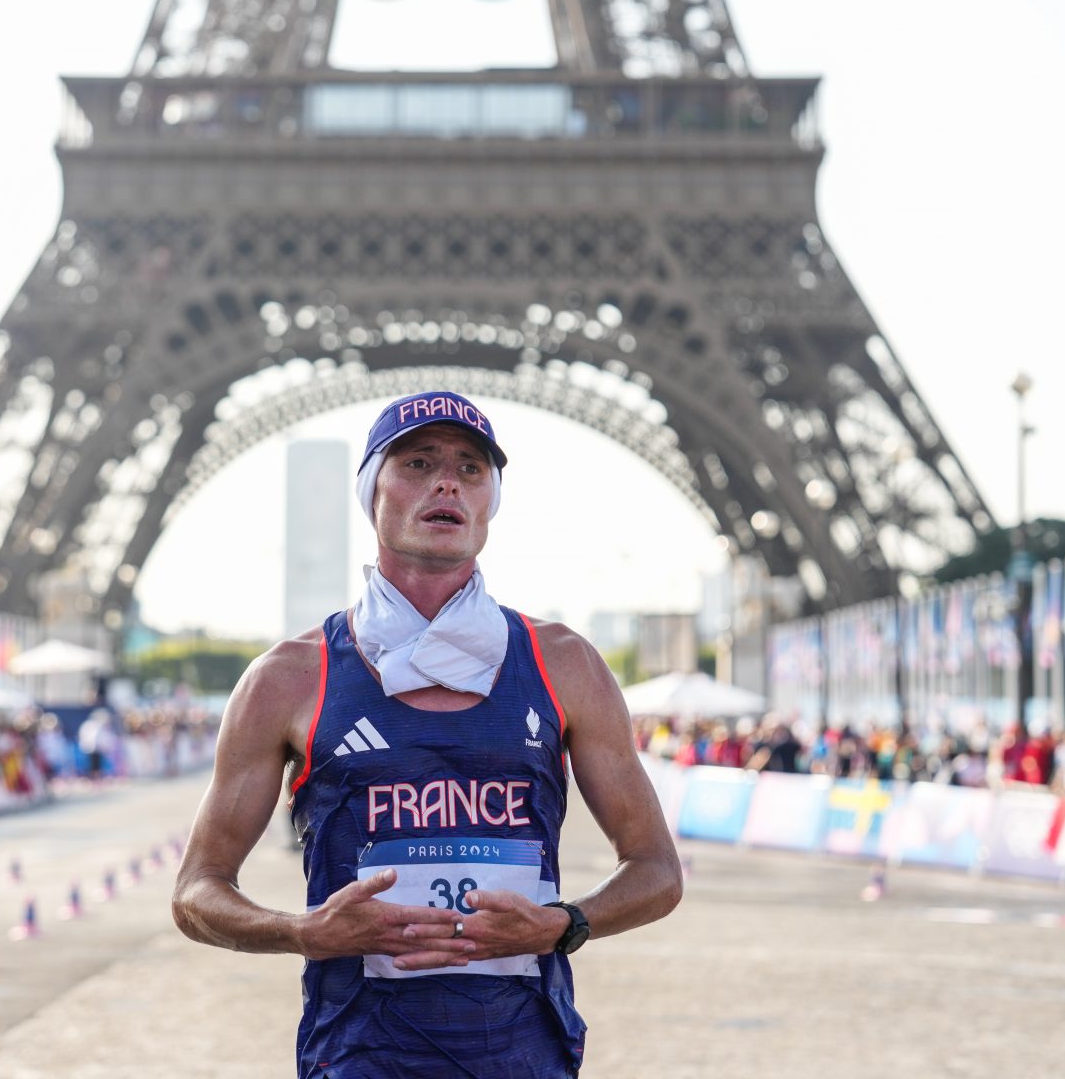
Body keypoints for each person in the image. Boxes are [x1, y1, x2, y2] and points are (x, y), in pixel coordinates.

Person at [172, 390, 682, 1077]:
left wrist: (564, 924)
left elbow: (657, 869)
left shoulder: (567, 664)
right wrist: (302, 932)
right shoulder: (287, 679)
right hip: (359, 1059)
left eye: (472, 469)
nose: (447, 481)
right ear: (371, 492)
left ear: (490, 502)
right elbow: (195, 891)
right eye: (417, 462)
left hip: (525, 1057)